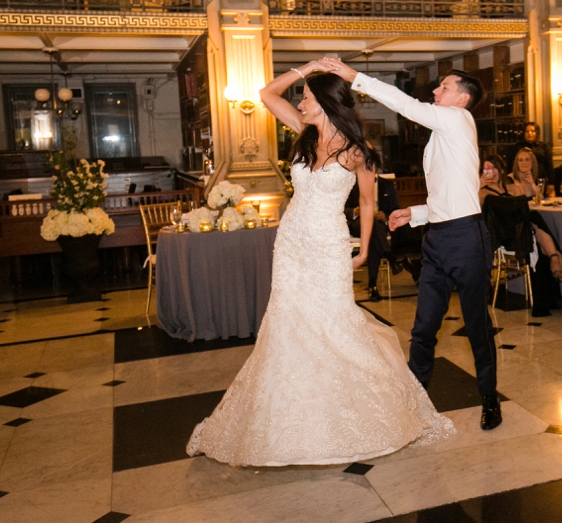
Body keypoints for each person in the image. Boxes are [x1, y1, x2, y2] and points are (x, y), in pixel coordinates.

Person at [186, 63, 455, 467]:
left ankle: (359, 416)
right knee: (287, 322)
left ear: (325, 102)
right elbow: (266, 94)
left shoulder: (357, 151)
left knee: (334, 321)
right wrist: (304, 70)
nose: (301, 102)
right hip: (292, 241)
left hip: (329, 243)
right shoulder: (304, 134)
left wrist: (364, 247)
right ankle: (289, 423)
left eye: (307, 97)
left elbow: (367, 202)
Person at [321, 57, 502, 431]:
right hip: (437, 238)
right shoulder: (445, 133)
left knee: (477, 325)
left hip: (467, 237)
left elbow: (406, 105)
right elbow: (451, 190)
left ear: (462, 100)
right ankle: (415, 398)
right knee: (423, 328)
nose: (436, 91)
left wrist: (356, 78)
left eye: (445, 87)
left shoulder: (457, 120)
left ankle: (489, 398)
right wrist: (415, 214)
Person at [480, 155, 562, 304]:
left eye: (494, 167)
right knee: (536, 221)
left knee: (537, 224)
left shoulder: (513, 189)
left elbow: (534, 201)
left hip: (524, 235)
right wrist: (478, 184)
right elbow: (470, 208)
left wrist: (531, 183)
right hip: (505, 239)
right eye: (487, 168)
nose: (491, 171)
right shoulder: (482, 193)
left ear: (502, 170)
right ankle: (558, 264)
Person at [345, 174, 404, 301]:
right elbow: (342, 208)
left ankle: (373, 284)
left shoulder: (386, 185)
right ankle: (390, 257)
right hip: (358, 224)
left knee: (373, 236)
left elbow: (395, 209)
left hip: (379, 226)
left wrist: (386, 215)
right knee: (373, 228)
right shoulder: (352, 184)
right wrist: (355, 211)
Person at [508, 122, 555, 196]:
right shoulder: (518, 147)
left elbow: (549, 166)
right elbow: (512, 164)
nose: (529, 133)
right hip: (523, 181)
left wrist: (551, 183)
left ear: (537, 133)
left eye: (532, 131)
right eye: (527, 131)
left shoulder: (544, 147)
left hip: (540, 180)